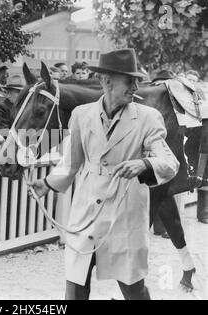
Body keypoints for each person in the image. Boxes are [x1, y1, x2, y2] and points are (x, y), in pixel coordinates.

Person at [28, 48, 179, 300]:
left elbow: (169, 161)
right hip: (85, 215)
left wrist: (144, 164)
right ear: (107, 80)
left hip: (125, 216)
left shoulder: (148, 118)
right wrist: (48, 183)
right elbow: (71, 162)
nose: (135, 86)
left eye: (137, 80)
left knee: (134, 290)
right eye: (129, 80)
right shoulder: (81, 116)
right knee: (75, 287)